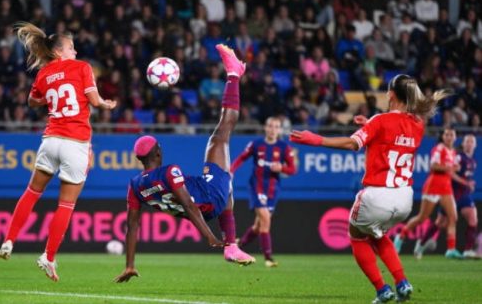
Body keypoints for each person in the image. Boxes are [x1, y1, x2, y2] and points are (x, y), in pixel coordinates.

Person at [289, 74, 449, 303]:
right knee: (377, 234)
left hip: (377, 194)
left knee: (356, 236)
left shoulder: (380, 120)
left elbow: (353, 143)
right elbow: (394, 136)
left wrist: (317, 140)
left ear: (391, 94)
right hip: (405, 198)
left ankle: (382, 290)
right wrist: (370, 126)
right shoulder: (418, 125)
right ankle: (402, 283)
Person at [114, 44, 255, 283]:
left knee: (226, 183)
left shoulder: (135, 186)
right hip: (209, 199)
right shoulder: (169, 172)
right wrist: (209, 237)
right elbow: (189, 206)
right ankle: (233, 74)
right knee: (222, 133)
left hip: (208, 199)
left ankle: (231, 246)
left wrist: (129, 265)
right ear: (157, 153)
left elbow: (132, 228)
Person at [0, 22, 117, 281]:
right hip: (75, 143)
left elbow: (31, 101)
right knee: (65, 204)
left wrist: (48, 97)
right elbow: (94, 101)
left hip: (50, 140)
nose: (75, 52)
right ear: (60, 51)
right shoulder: (82, 67)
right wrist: (106, 104)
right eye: (72, 48)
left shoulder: (43, 74)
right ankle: (48, 257)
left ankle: (9, 240)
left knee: (31, 193)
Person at [231, 117, 296, 268]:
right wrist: (231, 171)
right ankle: (268, 258)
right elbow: (241, 158)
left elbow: (292, 169)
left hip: (273, 190)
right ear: (265, 128)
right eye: (270, 126)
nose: (273, 129)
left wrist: (282, 168)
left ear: (280, 130)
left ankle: (238, 245)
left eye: (276, 127)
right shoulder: (256, 144)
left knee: (258, 226)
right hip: (257, 187)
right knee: (266, 220)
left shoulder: (284, 148)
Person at [394, 128, 464, 259]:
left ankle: (450, 249)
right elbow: (433, 166)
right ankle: (400, 237)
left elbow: (451, 171)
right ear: (443, 137)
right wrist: (451, 168)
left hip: (446, 188)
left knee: (453, 217)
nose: (449, 137)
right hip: (433, 185)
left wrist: (460, 176)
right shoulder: (439, 149)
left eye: (451, 135)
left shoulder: (453, 152)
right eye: (447, 134)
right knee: (422, 217)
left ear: (455, 137)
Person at [413, 134, 478, 259]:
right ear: (463, 144)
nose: (469, 144)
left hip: (464, 194)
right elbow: (450, 173)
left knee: (473, 218)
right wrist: (465, 182)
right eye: (467, 141)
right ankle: (421, 244)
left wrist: (468, 184)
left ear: (475, 145)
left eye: (472, 142)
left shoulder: (472, 160)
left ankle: (467, 250)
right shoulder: (458, 156)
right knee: (440, 223)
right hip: (450, 193)